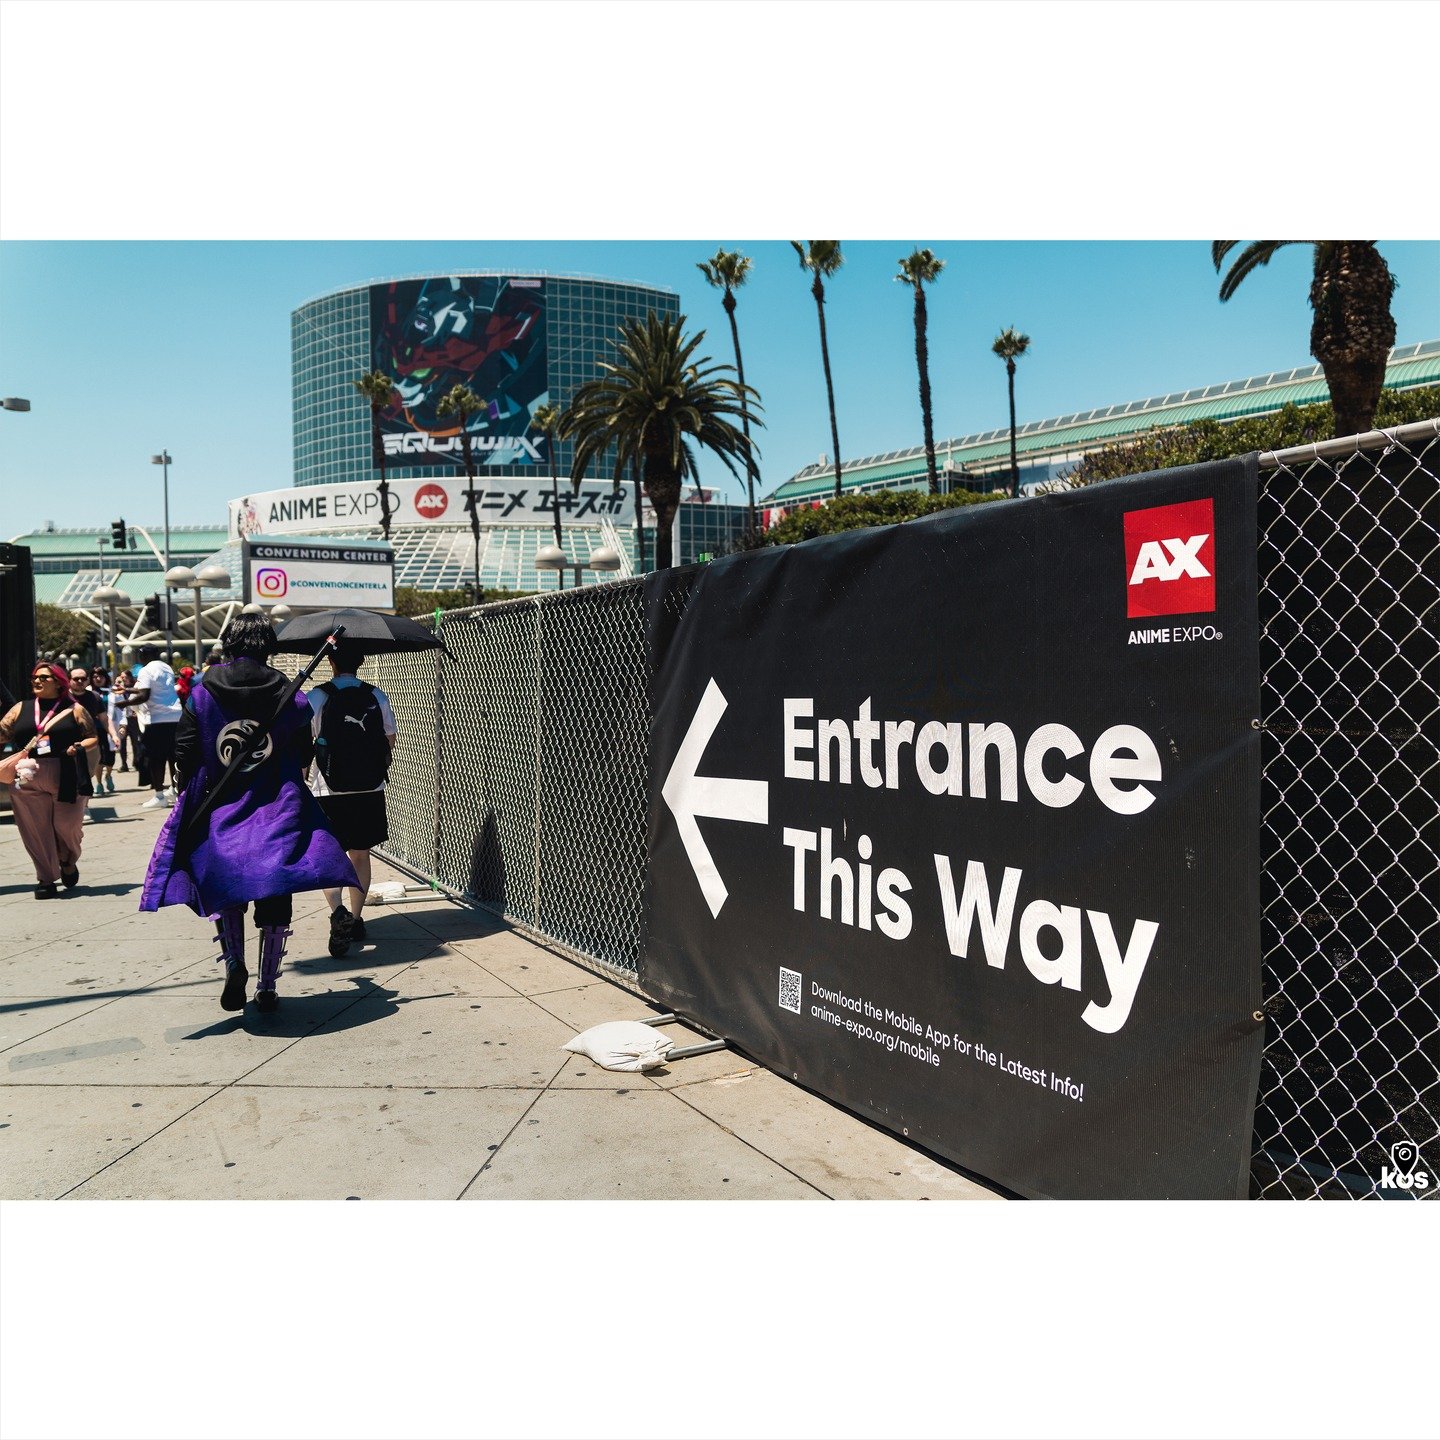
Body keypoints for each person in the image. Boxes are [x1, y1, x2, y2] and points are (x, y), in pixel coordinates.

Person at [140, 615, 357, 1013]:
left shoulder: (203, 692)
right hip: (278, 806)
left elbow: (184, 749)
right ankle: (267, 985)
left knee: (227, 887)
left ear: (228, 643)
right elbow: (304, 749)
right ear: (268, 646)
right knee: (275, 890)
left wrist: (191, 787)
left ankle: (234, 961)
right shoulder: (288, 692)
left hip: (221, 806)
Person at [307, 641, 397, 957]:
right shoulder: (376, 695)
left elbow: (305, 742)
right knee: (360, 854)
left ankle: (338, 912)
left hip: (327, 789)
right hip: (369, 789)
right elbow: (389, 739)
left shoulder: (316, 697)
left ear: (330, 662)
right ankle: (356, 919)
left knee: (329, 854)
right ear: (360, 663)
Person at [0, 663, 99, 898]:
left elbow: (92, 737)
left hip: (66, 773)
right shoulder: (20, 708)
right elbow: (2, 734)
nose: (37, 681)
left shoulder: (74, 709)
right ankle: (46, 878)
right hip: (27, 774)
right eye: (34, 677)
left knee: (68, 826)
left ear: (58, 682)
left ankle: (67, 859)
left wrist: (78, 746)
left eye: (44, 677)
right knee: (34, 829)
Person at [118, 644, 181, 809]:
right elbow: (154, 690)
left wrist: (125, 703)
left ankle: (159, 795)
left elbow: (144, 695)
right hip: (175, 716)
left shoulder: (145, 670)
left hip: (157, 719)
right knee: (173, 757)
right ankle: (175, 790)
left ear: (144, 655)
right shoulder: (166, 668)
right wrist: (126, 689)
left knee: (156, 759)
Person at [69, 667, 117, 799]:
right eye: (76, 679)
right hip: (69, 742)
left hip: (90, 742)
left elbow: (104, 719)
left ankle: (84, 804)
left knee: (87, 774)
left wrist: (113, 735)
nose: (80, 681)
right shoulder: (63, 698)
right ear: (69, 680)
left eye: (83, 679)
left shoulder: (94, 697)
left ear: (87, 680)